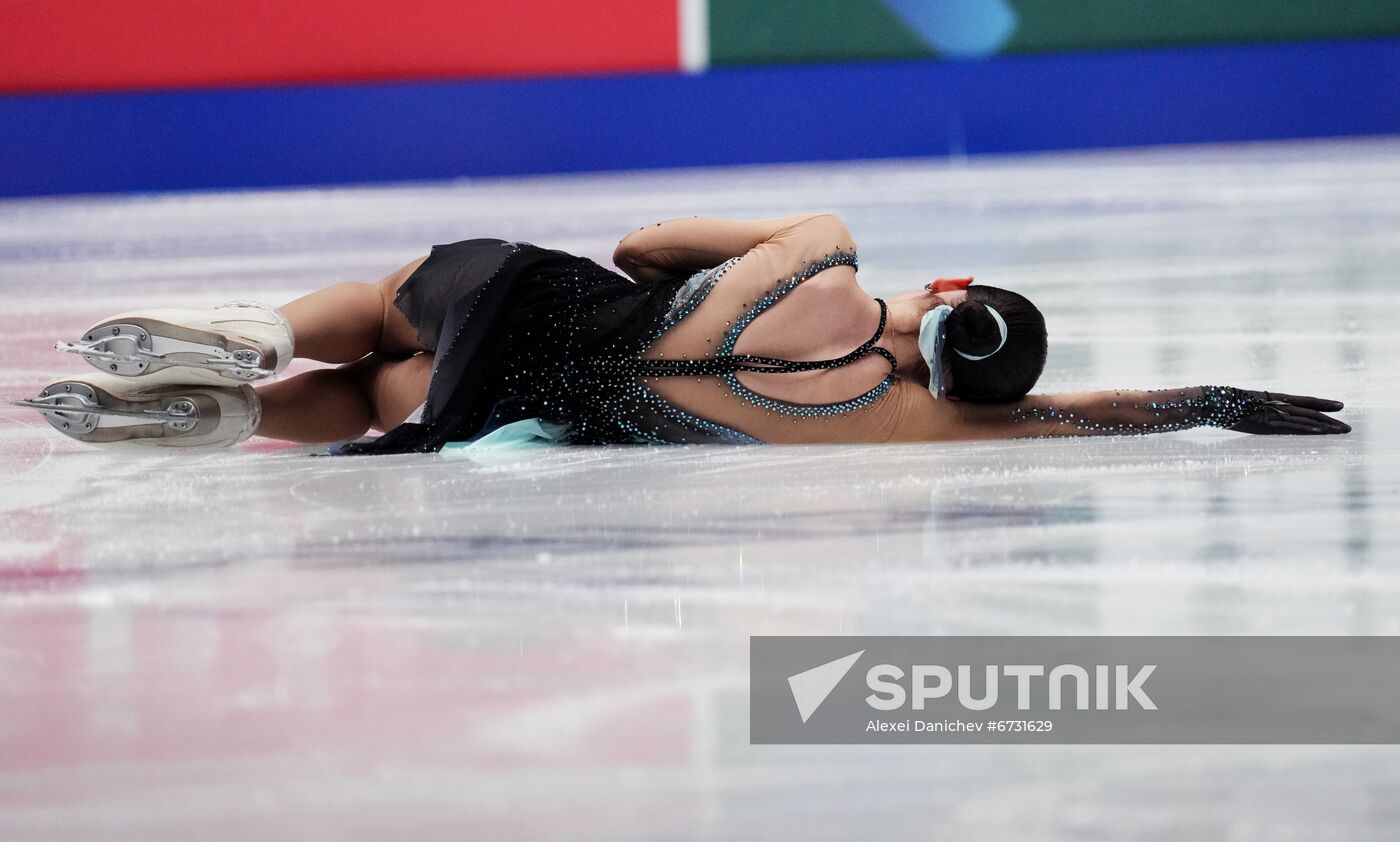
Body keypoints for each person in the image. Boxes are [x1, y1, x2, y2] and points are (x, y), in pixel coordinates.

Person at [18, 214, 1349, 451]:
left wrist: (697, 276)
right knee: (383, 396)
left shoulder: (824, 254)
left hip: (554, 307)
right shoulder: (904, 421)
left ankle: (247, 333)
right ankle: (239, 417)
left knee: (388, 304)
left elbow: (651, 241)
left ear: (950, 292)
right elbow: (1079, 419)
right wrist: (1217, 398)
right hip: (553, 398)